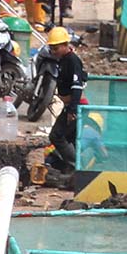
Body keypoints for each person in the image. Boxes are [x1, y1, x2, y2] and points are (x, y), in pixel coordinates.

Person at [45, 27, 86, 176]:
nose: (53, 51)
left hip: (76, 105)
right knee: (70, 137)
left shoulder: (72, 61)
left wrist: (73, 110)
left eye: (55, 48)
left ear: (64, 45)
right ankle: (68, 166)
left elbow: (77, 86)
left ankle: (76, 167)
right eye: (51, 48)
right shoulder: (63, 60)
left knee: (56, 135)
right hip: (71, 104)